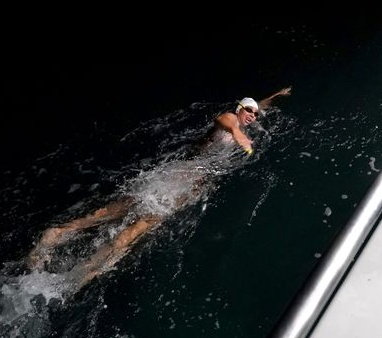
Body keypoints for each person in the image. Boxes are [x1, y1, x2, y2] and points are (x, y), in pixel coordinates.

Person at [26, 87, 292, 286]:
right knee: (139, 227)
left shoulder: (245, 116)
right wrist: (238, 135)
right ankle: (86, 273)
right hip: (183, 183)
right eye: (249, 111)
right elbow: (225, 121)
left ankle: (56, 234)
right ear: (238, 109)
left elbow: (254, 109)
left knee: (115, 211)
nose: (253, 116)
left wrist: (275, 96)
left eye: (256, 114)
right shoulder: (230, 121)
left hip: (172, 175)